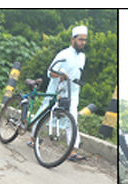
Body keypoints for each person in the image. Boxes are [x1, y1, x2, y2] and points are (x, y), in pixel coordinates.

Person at [29, 25, 88, 161]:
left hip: (72, 93)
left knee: (72, 119)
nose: (83, 43)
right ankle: (32, 138)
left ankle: (71, 151)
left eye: (85, 40)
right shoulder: (64, 54)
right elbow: (50, 72)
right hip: (57, 91)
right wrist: (60, 75)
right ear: (73, 39)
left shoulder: (83, 57)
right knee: (45, 113)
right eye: (80, 40)